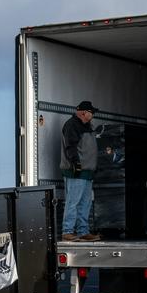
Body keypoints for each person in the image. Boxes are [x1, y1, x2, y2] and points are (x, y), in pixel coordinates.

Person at [60, 101, 100, 242]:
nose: (92, 115)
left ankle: (83, 231)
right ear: (83, 112)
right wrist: (75, 163)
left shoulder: (87, 126)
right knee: (73, 202)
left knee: (85, 203)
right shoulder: (72, 125)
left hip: (87, 172)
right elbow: (70, 146)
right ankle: (67, 231)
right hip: (76, 172)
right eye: (91, 112)